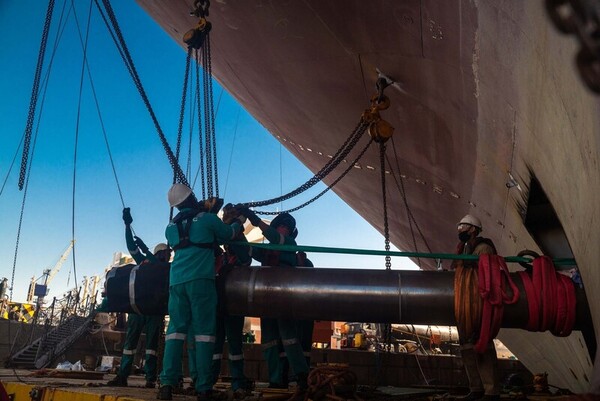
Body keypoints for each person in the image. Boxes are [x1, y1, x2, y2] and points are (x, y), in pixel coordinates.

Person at [157, 184, 244, 401]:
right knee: (204, 333)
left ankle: (167, 384)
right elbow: (227, 235)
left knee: (175, 333)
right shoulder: (207, 219)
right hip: (201, 282)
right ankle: (203, 387)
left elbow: (195, 235)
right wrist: (239, 222)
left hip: (176, 282)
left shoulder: (170, 228)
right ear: (191, 198)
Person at [238, 208, 309, 400]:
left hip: (284, 297)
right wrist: (237, 229)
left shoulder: (289, 245)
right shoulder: (267, 250)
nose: (284, 230)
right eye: (282, 226)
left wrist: (254, 219)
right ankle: (276, 379)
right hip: (266, 298)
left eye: (287, 228)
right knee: (269, 341)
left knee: (289, 339)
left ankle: (301, 376)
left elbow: (274, 237)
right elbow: (249, 250)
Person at [107, 207, 171, 388]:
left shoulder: (167, 268)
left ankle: (150, 378)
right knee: (130, 343)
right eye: (167, 252)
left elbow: (159, 266)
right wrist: (128, 225)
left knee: (151, 347)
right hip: (139, 309)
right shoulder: (144, 261)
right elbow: (131, 246)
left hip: (153, 311)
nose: (170, 255)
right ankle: (123, 375)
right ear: (161, 253)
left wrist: (147, 251)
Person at [451, 214, 499, 401]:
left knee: (482, 343)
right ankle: (476, 388)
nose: (460, 231)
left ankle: (491, 391)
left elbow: (484, 276)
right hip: (465, 303)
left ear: (472, 229)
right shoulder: (464, 248)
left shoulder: (483, 248)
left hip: (479, 303)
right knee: (466, 345)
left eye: (462, 227)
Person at [211, 203, 253, 397]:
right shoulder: (222, 258)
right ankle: (209, 379)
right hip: (220, 305)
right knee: (216, 344)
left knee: (234, 344)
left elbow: (245, 256)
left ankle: (237, 382)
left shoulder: (240, 254)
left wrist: (235, 229)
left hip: (233, 304)